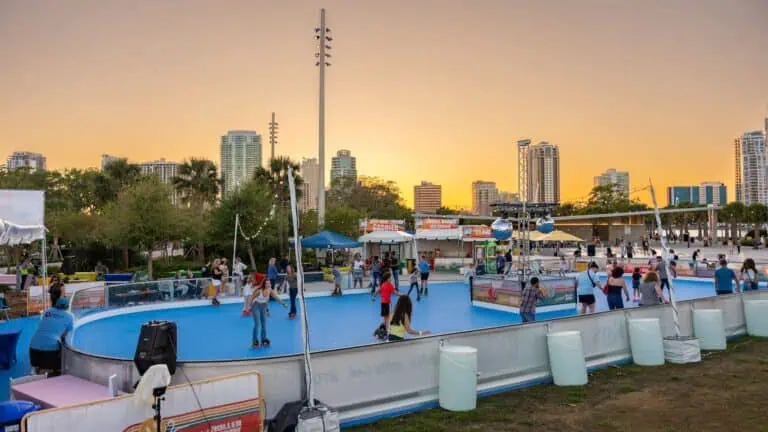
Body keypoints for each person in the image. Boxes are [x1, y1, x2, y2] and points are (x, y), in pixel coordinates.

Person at [29, 296, 73, 377]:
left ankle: (36, 371)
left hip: (33, 347)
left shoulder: (47, 311)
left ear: (56, 305)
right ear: (67, 306)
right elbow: (64, 335)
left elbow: (43, 325)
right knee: (58, 370)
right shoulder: (69, 316)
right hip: (50, 350)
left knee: (38, 369)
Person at [248, 279, 286, 348]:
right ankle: (255, 340)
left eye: (269, 283)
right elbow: (251, 298)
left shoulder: (270, 290)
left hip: (263, 307)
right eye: (267, 283)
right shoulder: (259, 291)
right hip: (256, 306)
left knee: (264, 324)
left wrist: (283, 303)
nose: (268, 285)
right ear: (264, 284)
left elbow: (276, 297)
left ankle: (263, 339)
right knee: (257, 324)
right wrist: (249, 307)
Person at [372, 271, 400, 339]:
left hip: (383, 303)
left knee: (385, 319)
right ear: (388, 278)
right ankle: (387, 333)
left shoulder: (383, 284)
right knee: (387, 319)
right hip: (386, 304)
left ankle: (377, 331)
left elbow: (377, 291)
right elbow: (395, 293)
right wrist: (402, 295)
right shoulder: (389, 285)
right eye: (390, 278)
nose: (391, 279)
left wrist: (373, 297)